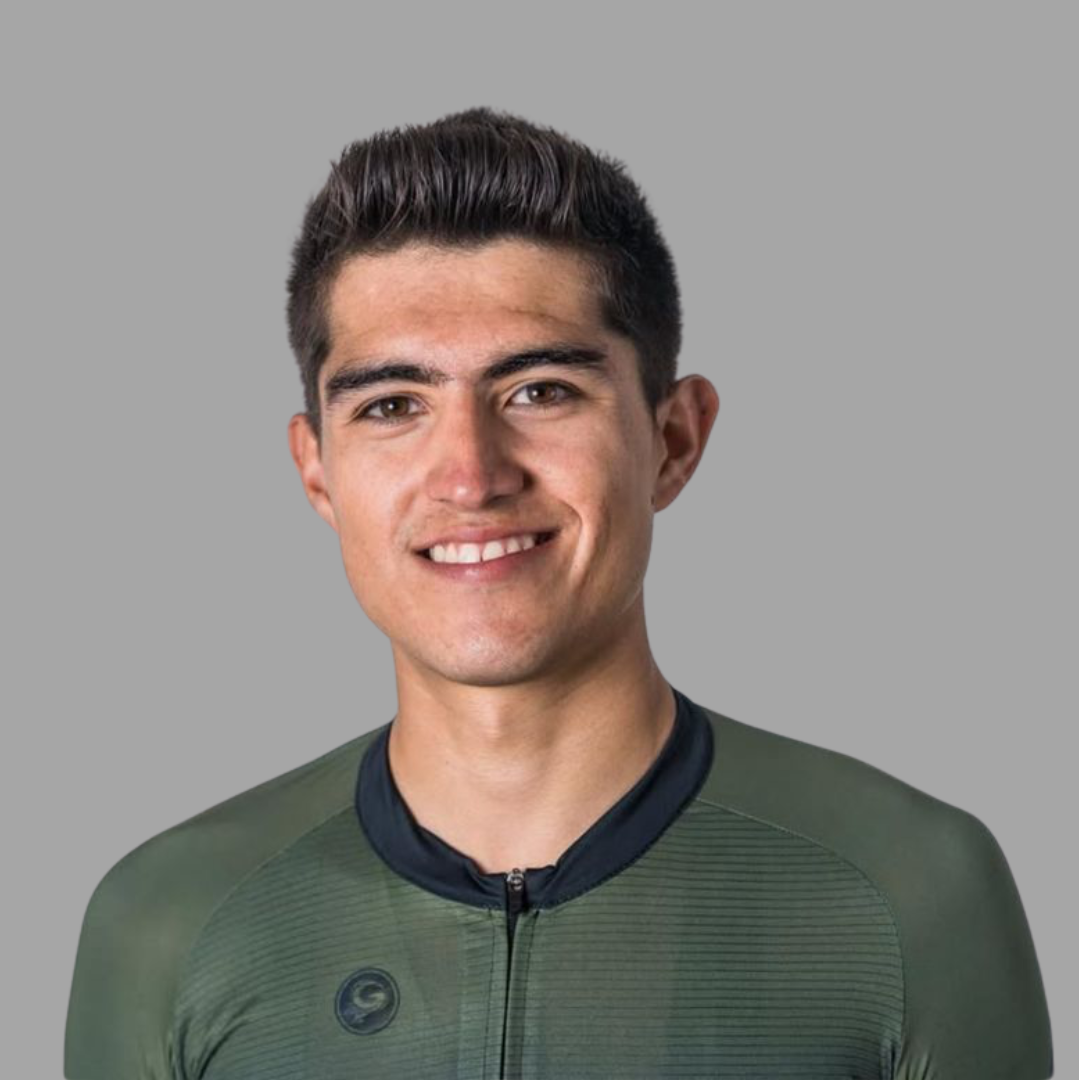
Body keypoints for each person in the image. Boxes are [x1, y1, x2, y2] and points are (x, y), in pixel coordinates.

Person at [64, 107, 1053, 1080]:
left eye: (541, 391)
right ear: (318, 472)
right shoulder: (170, 922)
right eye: (393, 405)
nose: (471, 476)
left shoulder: (910, 892)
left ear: (674, 440)